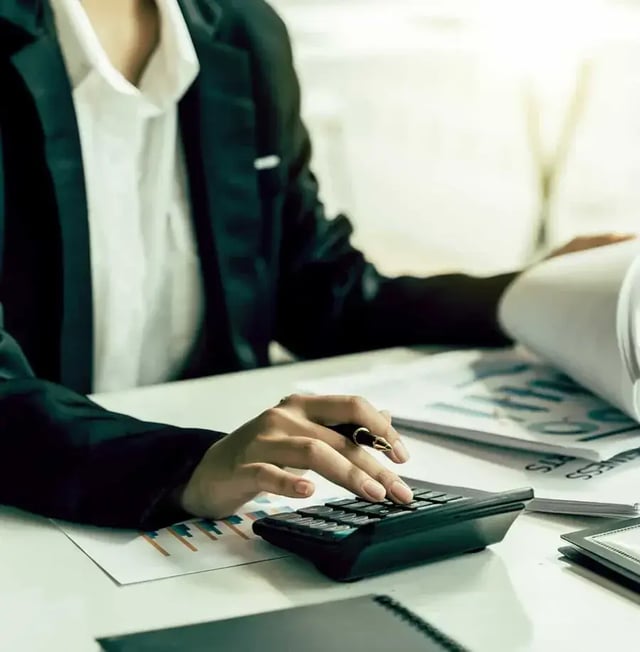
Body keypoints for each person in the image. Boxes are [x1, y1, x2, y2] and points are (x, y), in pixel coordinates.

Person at [0, 0, 629, 530]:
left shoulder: (240, 30)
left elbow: (321, 290)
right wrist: (186, 466)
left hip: (207, 523)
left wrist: (531, 291)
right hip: (45, 515)